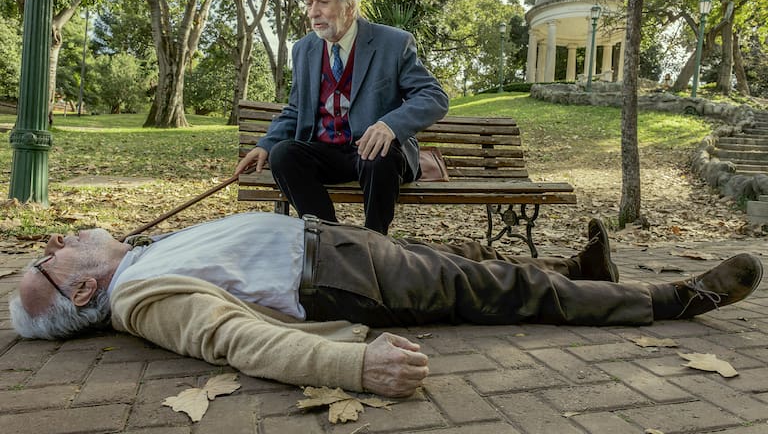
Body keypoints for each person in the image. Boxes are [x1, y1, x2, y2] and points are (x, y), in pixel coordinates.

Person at [10, 213, 763, 398]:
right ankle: (673, 299)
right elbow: (234, 339)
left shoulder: (134, 261)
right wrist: (353, 366)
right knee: (498, 290)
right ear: (83, 291)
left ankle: (579, 270)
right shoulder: (141, 299)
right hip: (335, 275)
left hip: (330, 245)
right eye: (50, 256)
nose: (57, 239)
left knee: (465, 258)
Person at [234, 0, 449, 235]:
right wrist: (266, 144)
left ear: (350, 7)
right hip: (327, 153)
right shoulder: (303, 49)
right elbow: (296, 109)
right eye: (309, 3)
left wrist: (390, 125)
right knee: (284, 154)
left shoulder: (394, 43)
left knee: (378, 155)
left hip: (376, 156)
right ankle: (331, 239)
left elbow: (434, 96)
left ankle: (374, 241)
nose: (313, 12)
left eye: (323, 2)